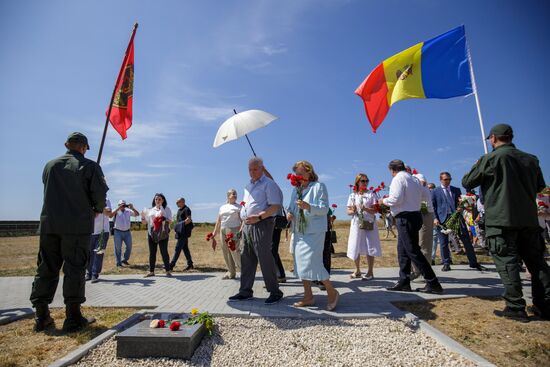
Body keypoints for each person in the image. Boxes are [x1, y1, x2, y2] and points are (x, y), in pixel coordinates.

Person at [463, 123, 550, 321]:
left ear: (493, 138)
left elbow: (468, 182)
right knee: (537, 264)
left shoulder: (491, 158)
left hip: (501, 219)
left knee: (507, 262)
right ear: (511, 137)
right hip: (528, 219)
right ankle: (545, 305)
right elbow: (540, 186)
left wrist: (478, 165)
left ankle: (515, 307)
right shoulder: (531, 159)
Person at [30, 132, 108, 332]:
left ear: (67, 145)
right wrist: (97, 209)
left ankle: (41, 316)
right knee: (74, 268)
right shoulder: (90, 166)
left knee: (46, 267)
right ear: (83, 147)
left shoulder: (50, 165)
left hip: (50, 225)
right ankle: (73, 318)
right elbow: (99, 196)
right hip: (76, 226)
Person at [379, 159, 443, 294]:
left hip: (405, 217)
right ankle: (404, 280)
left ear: (392, 170)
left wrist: (383, 201)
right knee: (403, 250)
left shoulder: (398, 179)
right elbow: (421, 196)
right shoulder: (413, 179)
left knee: (412, 250)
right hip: (415, 215)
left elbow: (395, 199)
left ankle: (432, 281)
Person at [228, 157, 284, 305]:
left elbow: (275, 206)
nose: (252, 172)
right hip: (247, 225)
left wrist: (259, 217)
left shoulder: (269, 184)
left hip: (262, 223)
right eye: (250, 169)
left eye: (255, 169)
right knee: (246, 257)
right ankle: (245, 291)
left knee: (264, 257)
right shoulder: (248, 186)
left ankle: (275, 291)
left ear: (262, 168)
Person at [287, 160, 339, 310]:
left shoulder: (319, 187)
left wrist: (308, 207)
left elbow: (324, 209)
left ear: (309, 172)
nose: (298, 176)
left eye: (301, 173)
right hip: (299, 231)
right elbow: (290, 207)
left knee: (313, 262)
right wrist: (290, 213)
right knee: (301, 265)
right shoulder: (295, 190)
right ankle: (308, 296)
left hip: (314, 232)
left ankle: (332, 292)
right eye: (296, 174)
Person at [432, 172, 486, 272]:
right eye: (445, 179)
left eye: (449, 179)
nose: (448, 181)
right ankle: (446, 263)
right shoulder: (435, 191)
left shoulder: (456, 190)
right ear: (441, 180)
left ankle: (473, 263)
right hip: (442, 219)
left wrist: (462, 207)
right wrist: (435, 218)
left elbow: (461, 203)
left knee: (466, 240)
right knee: (443, 243)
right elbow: (433, 206)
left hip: (457, 218)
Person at [346, 173, 382, 280]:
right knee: (355, 245)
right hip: (356, 223)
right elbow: (348, 211)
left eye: (367, 181)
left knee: (369, 245)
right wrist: (352, 210)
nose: (365, 183)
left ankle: (370, 272)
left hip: (369, 223)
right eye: (363, 181)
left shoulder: (372, 194)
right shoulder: (353, 195)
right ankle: (357, 270)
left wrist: (365, 208)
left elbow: (376, 210)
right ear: (357, 182)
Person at [211, 189, 242, 279]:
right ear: (228, 196)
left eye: (236, 194)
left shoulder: (239, 207)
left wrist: (240, 231)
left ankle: (243, 271)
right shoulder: (222, 207)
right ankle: (231, 273)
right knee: (226, 252)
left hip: (233, 229)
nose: (235, 195)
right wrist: (214, 232)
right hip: (223, 230)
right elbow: (218, 220)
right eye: (233, 194)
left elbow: (242, 220)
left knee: (234, 251)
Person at [141, 193, 173, 277]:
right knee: (152, 253)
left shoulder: (167, 209)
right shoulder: (150, 210)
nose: (157, 201)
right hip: (152, 233)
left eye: (159, 199)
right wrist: (143, 216)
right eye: (156, 199)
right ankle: (151, 271)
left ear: (163, 200)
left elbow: (170, 221)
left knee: (164, 252)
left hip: (162, 233)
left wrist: (161, 211)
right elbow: (145, 222)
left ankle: (168, 271)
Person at [410, 173, 435, 281]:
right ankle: (416, 271)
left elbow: (422, 183)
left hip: (425, 213)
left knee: (424, 243)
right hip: (412, 213)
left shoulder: (418, 176)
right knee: (412, 244)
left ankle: (425, 273)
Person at [87, 198, 112, 283]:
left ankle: (94, 274)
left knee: (98, 253)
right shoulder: (89, 199)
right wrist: (102, 209)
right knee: (89, 253)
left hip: (103, 232)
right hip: (90, 231)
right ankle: (88, 273)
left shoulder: (106, 200)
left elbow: (109, 213)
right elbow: (94, 215)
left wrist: (98, 209)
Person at [111, 199, 139, 268]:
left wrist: (132, 208)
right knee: (118, 248)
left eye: (124, 204)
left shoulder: (128, 211)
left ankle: (124, 259)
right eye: (121, 204)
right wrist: (118, 208)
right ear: (118, 205)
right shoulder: (116, 211)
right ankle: (118, 263)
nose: (123, 206)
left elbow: (137, 214)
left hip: (127, 232)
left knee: (129, 246)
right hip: (117, 231)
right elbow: (110, 215)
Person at [169, 198, 194, 272]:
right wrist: (177, 227)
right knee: (185, 248)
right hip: (180, 232)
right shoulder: (179, 210)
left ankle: (171, 265)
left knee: (177, 248)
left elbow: (189, 220)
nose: (176, 203)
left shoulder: (187, 209)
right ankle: (190, 264)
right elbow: (179, 220)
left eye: (178, 202)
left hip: (184, 233)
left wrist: (179, 225)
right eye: (176, 202)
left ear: (183, 202)